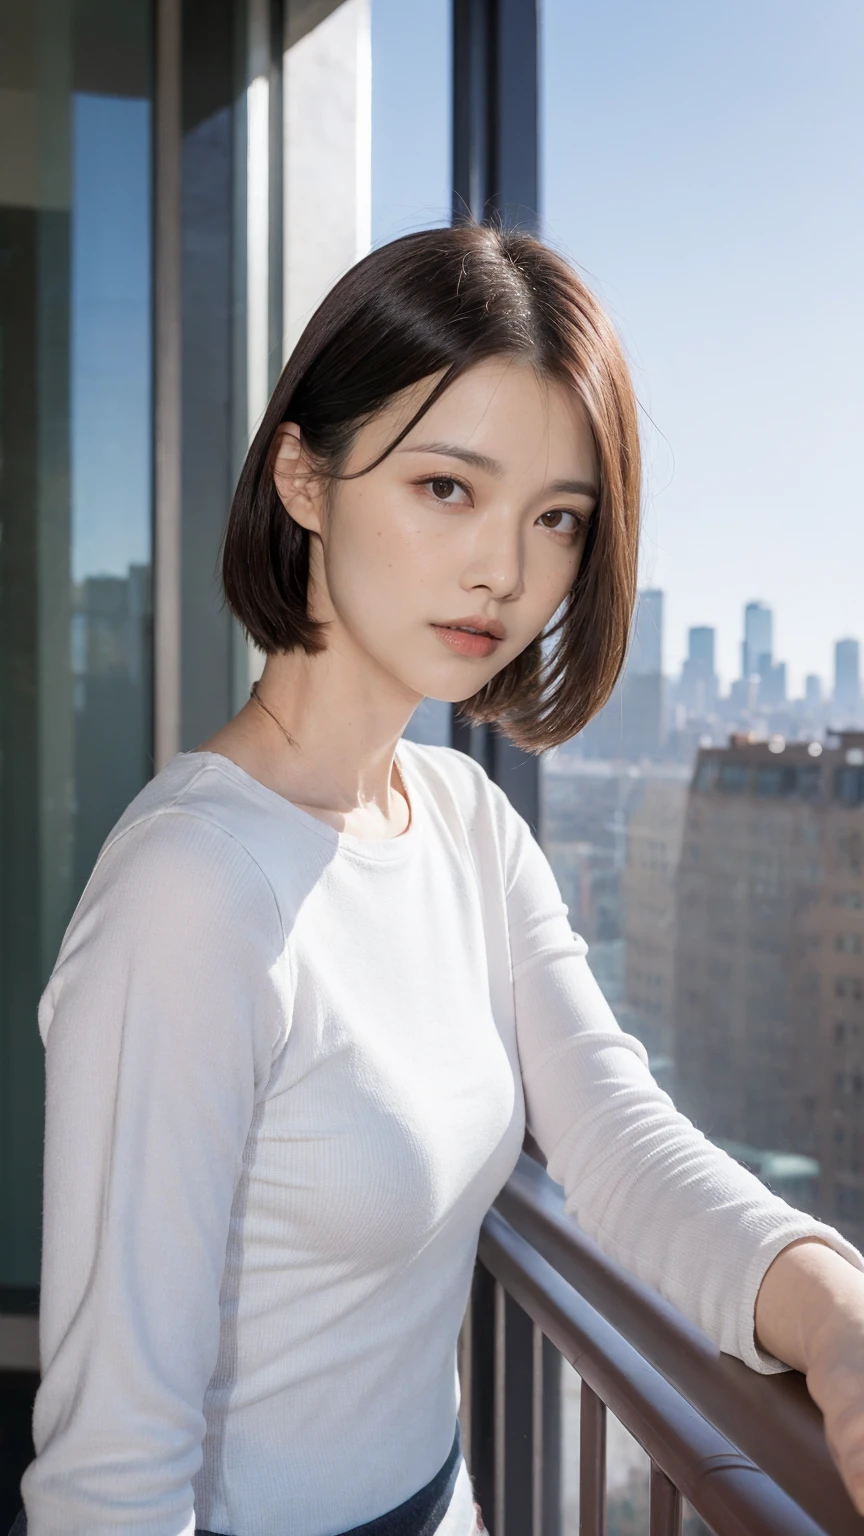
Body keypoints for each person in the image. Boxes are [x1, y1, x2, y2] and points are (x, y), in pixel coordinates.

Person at [12, 223, 864, 1536]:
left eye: (557, 519)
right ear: (306, 475)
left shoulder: (465, 823)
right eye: (447, 488)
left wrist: (837, 1313)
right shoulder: (192, 893)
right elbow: (109, 1483)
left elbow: (615, 1144)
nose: (507, 574)